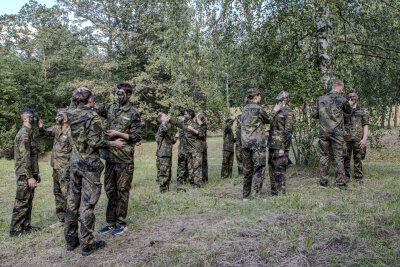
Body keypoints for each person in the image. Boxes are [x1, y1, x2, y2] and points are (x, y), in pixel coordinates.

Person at [64, 87, 125, 256]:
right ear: (90, 99)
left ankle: (70, 241)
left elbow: (74, 103)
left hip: (75, 163)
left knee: (72, 202)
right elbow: (95, 142)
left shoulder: (71, 112)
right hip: (89, 165)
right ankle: (87, 244)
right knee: (87, 205)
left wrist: (78, 94)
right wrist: (113, 143)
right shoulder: (92, 116)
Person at [96, 82, 142, 235]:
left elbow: (136, 136)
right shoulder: (110, 108)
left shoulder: (133, 113)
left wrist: (118, 133)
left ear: (128, 94)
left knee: (122, 190)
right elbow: (94, 108)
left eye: (121, 93)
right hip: (110, 157)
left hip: (124, 158)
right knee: (110, 190)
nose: (118, 96)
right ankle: (110, 222)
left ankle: (121, 223)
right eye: (116, 93)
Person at [241, 88, 283, 201]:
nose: (260, 97)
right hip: (257, 144)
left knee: (247, 171)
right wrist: (275, 109)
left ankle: (245, 196)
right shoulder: (258, 109)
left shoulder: (244, 108)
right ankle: (255, 196)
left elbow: (253, 120)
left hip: (245, 144)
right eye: (260, 95)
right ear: (256, 96)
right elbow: (269, 119)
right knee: (259, 169)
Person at [311, 79, 352, 188]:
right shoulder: (342, 99)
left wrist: (324, 115)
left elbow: (313, 114)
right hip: (337, 133)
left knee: (323, 156)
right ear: (340, 88)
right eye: (342, 89)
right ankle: (340, 183)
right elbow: (349, 111)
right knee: (339, 157)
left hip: (324, 132)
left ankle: (323, 182)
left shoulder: (321, 99)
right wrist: (350, 104)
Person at [9, 109, 41, 237]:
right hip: (24, 174)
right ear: (24, 119)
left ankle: (26, 226)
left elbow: (33, 156)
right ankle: (15, 229)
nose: (33, 118)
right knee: (22, 201)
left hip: (29, 173)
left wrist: (36, 173)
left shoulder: (30, 133)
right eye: (31, 117)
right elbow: (25, 157)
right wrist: (29, 177)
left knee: (28, 200)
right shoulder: (24, 134)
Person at [38, 108, 71, 228]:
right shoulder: (56, 129)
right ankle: (62, 218)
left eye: (59, 115)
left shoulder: (70, 131)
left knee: (67, 193)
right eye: (57, 115)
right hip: (56, 167)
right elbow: (45, 134)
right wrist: (41, 127)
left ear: (66, 117)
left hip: (66, 168)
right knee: (57, 193)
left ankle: (72, 218)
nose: (57, 118)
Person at [166, 109, 206, 188]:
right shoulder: (185, 124)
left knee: (197, 167)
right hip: (188, 149)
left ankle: (197, 184)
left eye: (186, 114)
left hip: (196, 149)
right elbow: (178, 123)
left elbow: (201, 134)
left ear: (190, 115)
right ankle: (192, 183)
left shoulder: (195, 124)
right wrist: (170, 119)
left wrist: (193, 129)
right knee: (190, 167)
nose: (184, 115)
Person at [267, 91, 294, 196]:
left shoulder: (288, 112)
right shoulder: (275, 111)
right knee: (272, 170)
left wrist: (283, 147)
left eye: (281, 99)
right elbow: (271, 125)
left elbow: (288, 131)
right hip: (272, 145)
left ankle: (281, 192)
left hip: (281, 146)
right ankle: (274, 192)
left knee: (280, 170)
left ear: (285, 100)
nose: (278, 101)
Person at [344, 90, 369, 184]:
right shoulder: (344, 110)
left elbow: (365, 124)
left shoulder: (362, 110)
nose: (351, 99)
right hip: (346, 138)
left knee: (358, 158)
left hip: (358, 139)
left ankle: (358, 177)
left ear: (356, 98)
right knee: (346, 158)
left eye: (353, 97)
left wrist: (364, 139)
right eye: (350, 97)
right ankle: (346, 177)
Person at [155, 112, 177, 192]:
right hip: (164, 152)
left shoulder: (165, 127)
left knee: (167, 170)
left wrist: (175, 137)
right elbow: (163, 130)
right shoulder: (162, 126)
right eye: (165, 116)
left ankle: (166, 188)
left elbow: (171, 140)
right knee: (164, 171)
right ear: (161, 119)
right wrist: (167, 121)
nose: (167, 116)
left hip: (167, 152)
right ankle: (163, 189)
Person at [176, 116, 189, 187]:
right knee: (181, 165)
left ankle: (186, 179)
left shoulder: (184, 126)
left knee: (186, 164)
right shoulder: (181, 128)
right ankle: (180, 181)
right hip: (182, 147)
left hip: (186, 147)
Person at [197, 113, 208, 183]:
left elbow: (200, 134)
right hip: (202, 145)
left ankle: (202, 178)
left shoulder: (203, 126)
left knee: (201, 162)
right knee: (203, 162)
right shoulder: (203, 125)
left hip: (201, 145)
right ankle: (204, 178)